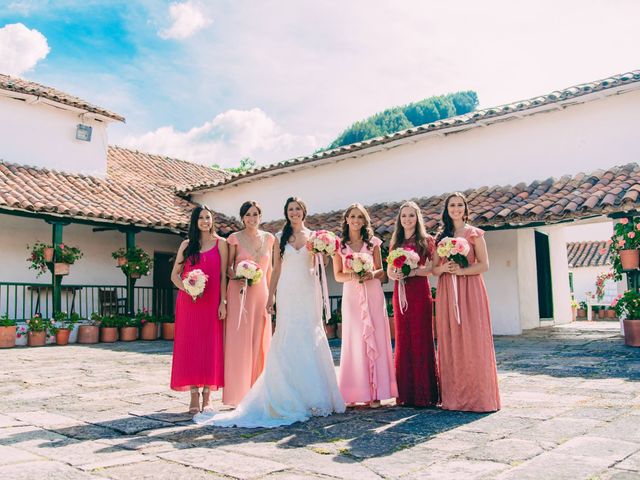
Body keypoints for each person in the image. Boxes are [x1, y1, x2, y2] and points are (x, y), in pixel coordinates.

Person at [194, 196, 345, 427]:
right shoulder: (278, 238)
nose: (294, 213)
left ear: (304, 211)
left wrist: (325, 253)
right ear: (286, 213)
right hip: (286, 291)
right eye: (290, 209)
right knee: (287, 336)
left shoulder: (315, 237)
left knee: (310, 335)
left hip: (307, 290)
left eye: (297, 209)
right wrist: (272, 295)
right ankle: (285, 392)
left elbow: (320, 266)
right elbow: (275, 270)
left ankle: (315, 394)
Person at [432, 192, 501, 412]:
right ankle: (454, 398)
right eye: (452, 205)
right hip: (447, 291)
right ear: (447, 209)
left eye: (459, 205)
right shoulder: (441, 238)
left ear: (465, 208)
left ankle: (479, 398)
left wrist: (462, 271)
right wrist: (444, 268)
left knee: (473, 339)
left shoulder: (474, 234)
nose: (456, 209)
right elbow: (434, 268)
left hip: (470, 289)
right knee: (451, 340)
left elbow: (484, 265)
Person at [333, 203, 397, 407]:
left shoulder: (373, 243)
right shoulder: (339, 246)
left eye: (360, 217)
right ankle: (355, 391)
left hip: (372, 294)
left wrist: (372, 273)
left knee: (376, 339)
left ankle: (377, 392)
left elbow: (383, 272)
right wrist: (354, 273)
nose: (356, 220)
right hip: (352, 296)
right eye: (352, 216)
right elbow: (338, 275)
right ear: (346, 219)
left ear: (365, 221)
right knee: (354, 341)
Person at [170, 206, 227, 414]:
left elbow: (222, 277)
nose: (205, 221)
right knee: (191, 346)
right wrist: (188, 289)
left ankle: (207, 394)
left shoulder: (222, 244)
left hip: (212, 303)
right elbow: (175, 275)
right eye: (201, 218)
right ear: (195, 222)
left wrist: (223, 302)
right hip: (189, 304)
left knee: (210, 346)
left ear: (212, 220)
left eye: (208, 217)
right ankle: (194, 393)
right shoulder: (187, 245)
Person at [386, 201, 439, 407]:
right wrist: (396, 273)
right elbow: (389, 270)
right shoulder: (396, 242)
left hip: (419, 292)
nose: (407, 219)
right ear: (400, 220)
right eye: (404, 216)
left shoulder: (426, 240)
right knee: (404, 339)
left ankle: (424, 394)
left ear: (418, 218)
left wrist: (414, 271)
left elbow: (433, 267)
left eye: (411, 215)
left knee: (420, 337)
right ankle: (406, 394)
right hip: (400, 293)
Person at [222, 201, 274, 406]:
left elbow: (270, 271)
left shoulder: (269, 239)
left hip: (261, 294)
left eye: (256, 214)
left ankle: (258, 392)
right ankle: (238, 395)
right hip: (239, 293)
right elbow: (228, 268)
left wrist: (272, 297)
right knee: (239, 343)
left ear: (260, 217)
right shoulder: (234, 239)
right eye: (248, 215)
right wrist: (238, 275)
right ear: (242, 217)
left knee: (261, 341)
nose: (252, 218)